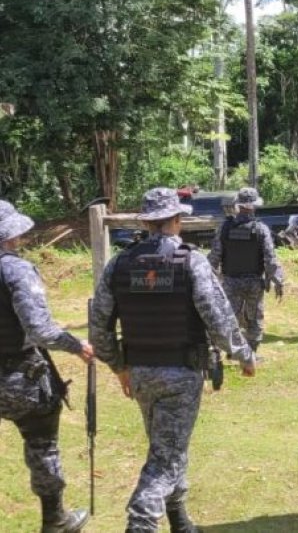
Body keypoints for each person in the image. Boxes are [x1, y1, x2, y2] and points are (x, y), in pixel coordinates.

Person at [89, 187, 256, 533]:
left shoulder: (119, 264)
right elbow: (219, 317)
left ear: (148, 222)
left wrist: (118, 366)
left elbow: (99, 326)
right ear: (177, 220)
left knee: (166, 446)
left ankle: (179, 519)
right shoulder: (191, 261)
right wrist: (243, 353)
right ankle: (141, 522)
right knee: (166, 457)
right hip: (181, 374)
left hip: (140, 374)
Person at [0, 200, 93, 533]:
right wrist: (77, 344)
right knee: (42, 447)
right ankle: (54, 520)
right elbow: (40, 329)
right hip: (18, 377)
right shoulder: (15, 270)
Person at [207, 187, 284, 355]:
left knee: (229, 317)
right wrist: (278, 280)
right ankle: (251, 353)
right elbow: (270, 259)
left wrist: (207, 279)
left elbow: (214, 257)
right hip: (254, 282)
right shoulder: (261, 229)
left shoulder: (225, 228)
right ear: (254, 206)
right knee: (254, 318)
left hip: (230, 281)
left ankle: (231, 350)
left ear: (238, 205)